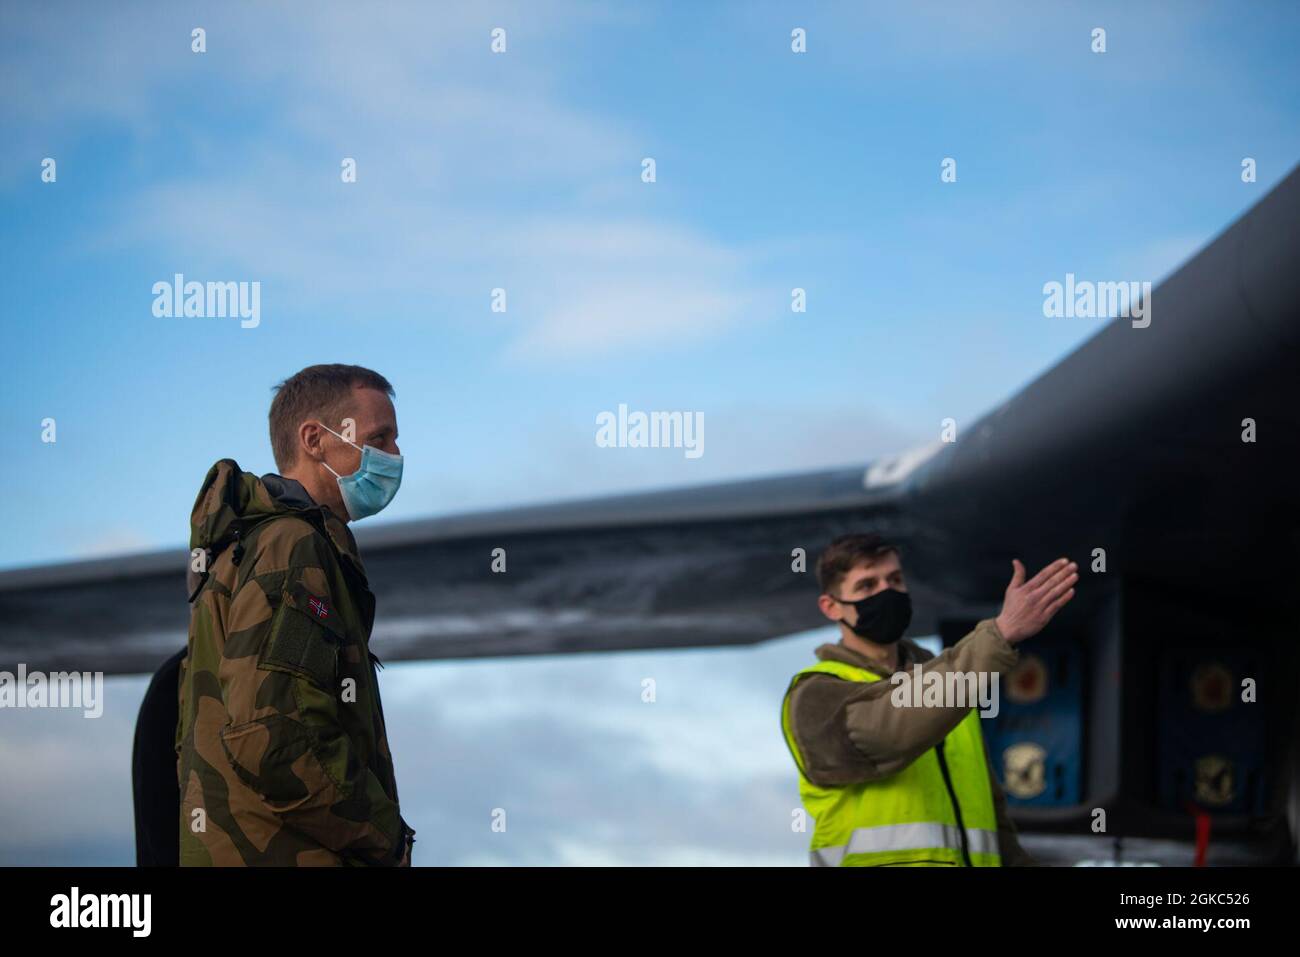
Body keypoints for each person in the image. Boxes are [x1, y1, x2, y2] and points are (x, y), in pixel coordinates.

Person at [174, 363, 415, 866]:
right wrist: (383, 834)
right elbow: (274, 732)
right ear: (314, 439)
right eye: (380, 438)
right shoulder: (291, 544)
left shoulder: (253, 544)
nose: (394, 455)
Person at [780, 533, 1077, 866]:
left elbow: (996, 829)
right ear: (831, 606)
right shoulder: (815, 696)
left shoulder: (952, 694)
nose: (886, 593)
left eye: (894, 580)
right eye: (867, 586)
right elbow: (888, 729)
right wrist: (1000, 635)